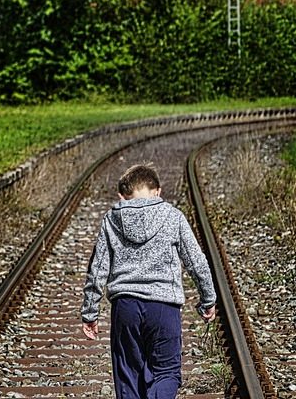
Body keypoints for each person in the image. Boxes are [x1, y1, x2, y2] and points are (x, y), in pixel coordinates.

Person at [80, 163, 216, 399]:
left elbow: (98, 268)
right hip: (164, 306)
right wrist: (208, 299)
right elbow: (197, 261)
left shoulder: (112, 219)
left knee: (128, 376)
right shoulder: (173, 216)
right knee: (167, 373)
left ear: (122, 195)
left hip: (126, 307)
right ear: (158, 191)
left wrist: (90, 311)